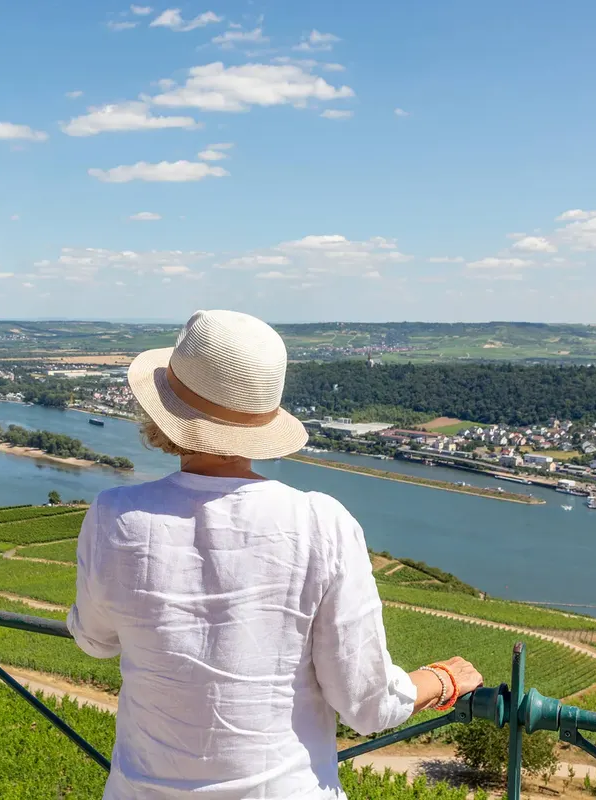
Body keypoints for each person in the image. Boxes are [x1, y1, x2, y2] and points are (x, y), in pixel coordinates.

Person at [68, 309, 483, 800]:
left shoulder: (115, 513)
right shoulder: (321, 525)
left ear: (164, 409)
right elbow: (367, 705)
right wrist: (441, 681)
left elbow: (95, 640)